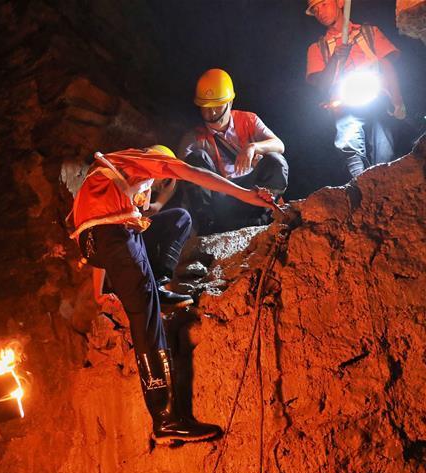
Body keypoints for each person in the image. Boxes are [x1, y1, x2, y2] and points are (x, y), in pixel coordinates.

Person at [70, 145, 276, 444]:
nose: (150, 191)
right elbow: (193, 173)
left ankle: (157, 287)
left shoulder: (107, 179)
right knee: (146, 320)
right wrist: (244, 194)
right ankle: (165, 419)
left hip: (97, 241)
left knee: (176, 218)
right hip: (111, 235)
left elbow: (96, 236)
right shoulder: (143, 159)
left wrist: (98, 292)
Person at [168, 68, 288, 235]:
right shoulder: (194, 138)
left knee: (276, 161)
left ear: (229, 103)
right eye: (206, 107)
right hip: (221, 199)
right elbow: (178, 175)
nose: (212, 113)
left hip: (253, 193)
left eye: (217, 106)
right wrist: (160, 203)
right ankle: (208, 226)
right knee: (195, 159)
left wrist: (252, 147)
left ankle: (264, 214)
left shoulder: (248, 120)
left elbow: (279, 145)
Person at [305, 0, 406, 178]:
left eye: (324, 4)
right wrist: (336, 58)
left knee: (385, 149)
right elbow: (322, 85)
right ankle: (361, 182)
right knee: (348, 141)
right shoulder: (317, 48)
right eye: (315, 9)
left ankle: (383, 183)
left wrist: (398, 102)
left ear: (340, 2)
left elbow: (386, 65)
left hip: (377, 96)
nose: (319, 11)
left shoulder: (369, 32)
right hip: (344, 101)